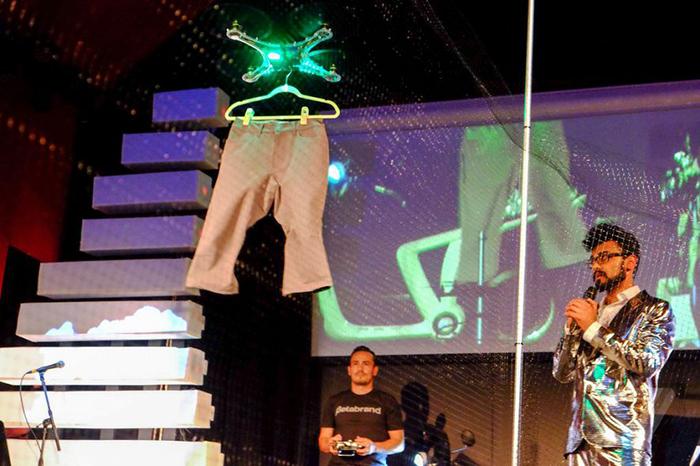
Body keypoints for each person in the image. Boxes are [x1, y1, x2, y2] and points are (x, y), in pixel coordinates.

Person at [553, 223, 675, 465]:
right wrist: (571, 332)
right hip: (579, 443)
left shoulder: (654, 309)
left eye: (604, 257)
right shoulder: (592, 311)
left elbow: (646, 361)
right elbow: (562, 373)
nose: (596, 266)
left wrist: (593, 328)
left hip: (623, 439)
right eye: (593, 260)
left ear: (629, 263)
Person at [319, 346, 404, 465]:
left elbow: (399, 444)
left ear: (375, 370)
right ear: (349, 370)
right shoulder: (334, 401)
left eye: (366, 364)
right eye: (355, 364)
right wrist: (329, 444)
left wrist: (374, 447)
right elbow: (323, 441)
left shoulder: (387, 401)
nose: (360, 368)